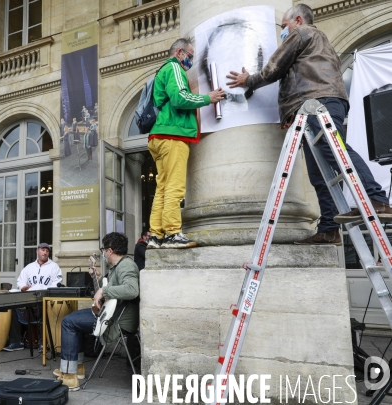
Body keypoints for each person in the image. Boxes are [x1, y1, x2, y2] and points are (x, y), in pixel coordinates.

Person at [226, 3, 392, 245]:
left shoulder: (303, 33)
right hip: (315, 103)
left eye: (284, 25)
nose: (283, 31)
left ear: (299, 20)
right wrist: (290, 113)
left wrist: (249, 80)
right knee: (318, 172)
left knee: (334, 148)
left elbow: (275, 68)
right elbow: (299, 76)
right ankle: (328, 228)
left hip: (319, 101)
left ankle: (376, 198)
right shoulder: (319, 43)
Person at [147, 38, 225, 249]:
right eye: (190, 56)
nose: (190, 60)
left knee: (162, 187)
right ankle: (172, 233)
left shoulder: (162, 70)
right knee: (174, 187)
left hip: (160, 136)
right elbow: (180, 99)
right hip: (173, 135)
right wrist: (208, 98)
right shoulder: (174, 68)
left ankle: (156, 236)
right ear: (179, 52)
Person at [53, 232, 139, 391]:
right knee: (73, 320)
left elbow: (132, 289)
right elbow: (108, 294)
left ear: (110, 250)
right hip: (111, 314)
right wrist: (97, 277)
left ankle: (71, 377)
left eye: (104, 249)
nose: (103, 253)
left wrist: (104, 291)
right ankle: (75, 369)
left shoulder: (126, 265)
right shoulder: (116, 267)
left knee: (68, 322)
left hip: (117, 320)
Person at [3, 243, 63, 351]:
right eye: (43, 250)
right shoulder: (29, 267)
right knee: (13, 304)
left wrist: (42, 288)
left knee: (44, 306)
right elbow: (20, 281)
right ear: (37, 251)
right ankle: (16, 341)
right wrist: (23, 287)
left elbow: (57, 284)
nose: (45, 252)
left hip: (45, 297)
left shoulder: (54, 267)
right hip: (29, 297)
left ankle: (43, 343)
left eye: (47, 251)